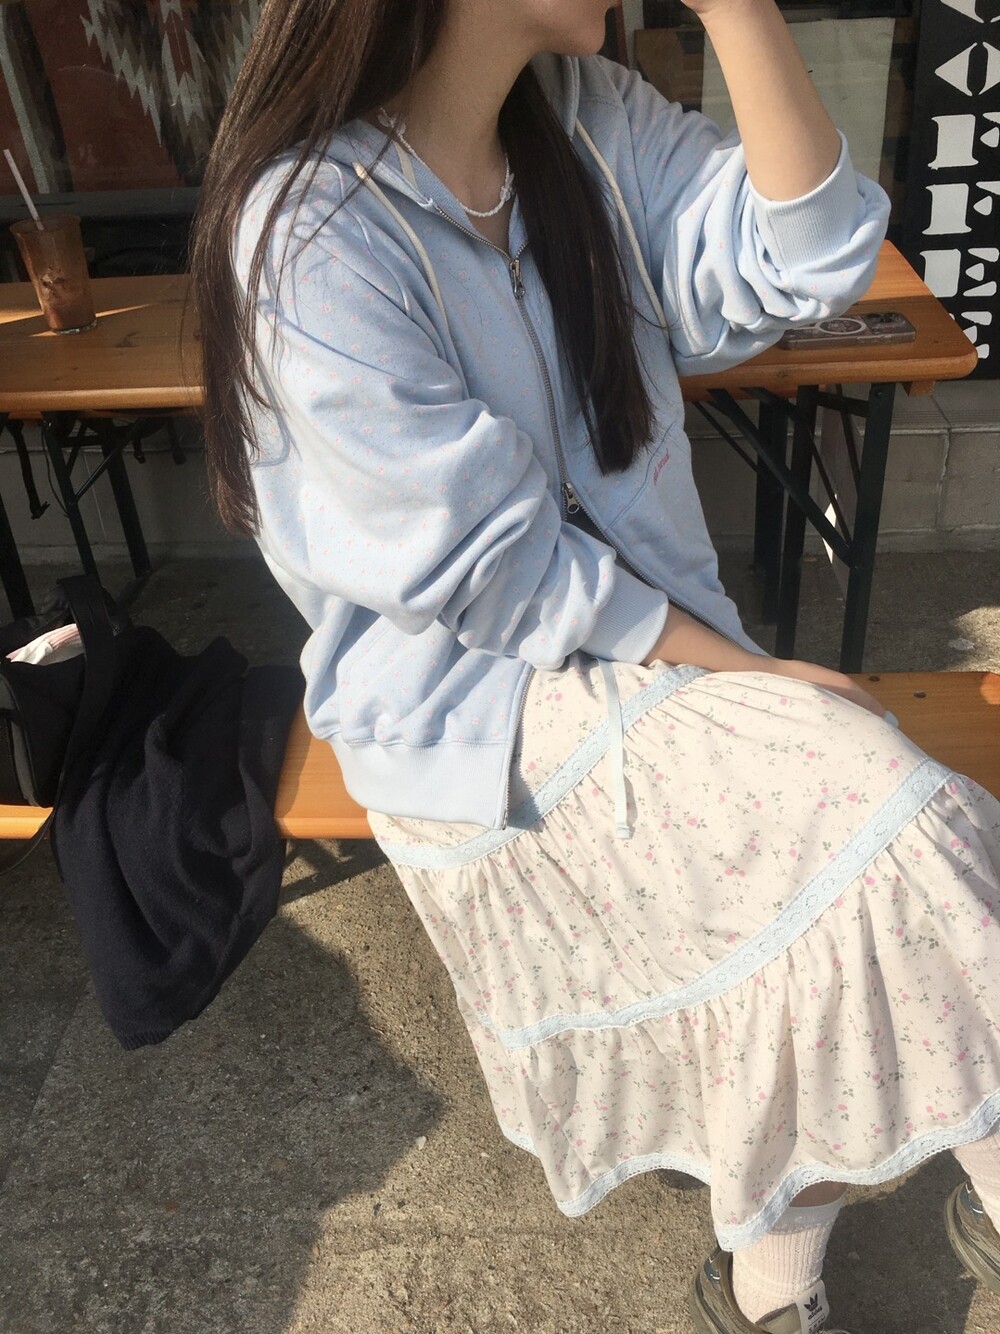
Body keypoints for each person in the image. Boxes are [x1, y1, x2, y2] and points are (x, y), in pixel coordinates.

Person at [190, 2, 1000, 1329]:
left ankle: (766, 1289)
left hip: (656, 656)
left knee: (848, 874)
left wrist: (739, 9)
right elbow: (489, 570)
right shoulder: (309, 231)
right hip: (478, 718)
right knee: (888, 828)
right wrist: (749, 676)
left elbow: (815, 257)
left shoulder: (589, 127)